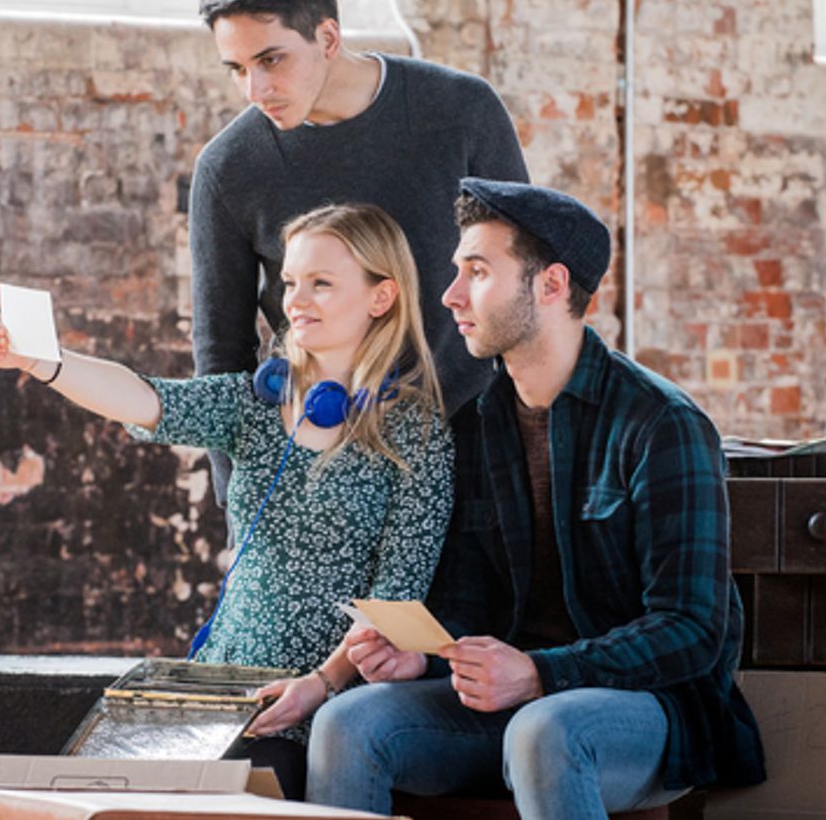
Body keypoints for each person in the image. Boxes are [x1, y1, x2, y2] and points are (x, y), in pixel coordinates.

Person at [306, 180, 765, 818]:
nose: (451, 296)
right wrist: (426, 655)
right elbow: (469, 602)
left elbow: (691, 630)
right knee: (348, 723)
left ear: (550, 286)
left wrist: (542, 672)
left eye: (478, 271)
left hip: (649, 712)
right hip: (512, 707)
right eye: (457, 272)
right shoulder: (478, 424)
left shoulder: (661, 424)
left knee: (546, 729)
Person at [0, 203, 453, 798]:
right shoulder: (252, 404)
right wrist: (44, 362)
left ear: (381, 297)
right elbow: (146, 400)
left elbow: (395, 602)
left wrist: (322, 684)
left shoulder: (415, 430)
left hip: (319, 703)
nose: (295, 300)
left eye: (321, 283)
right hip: (221, 684)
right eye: (289, 283)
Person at [191, 0, 529, 503]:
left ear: (327, 38)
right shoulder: (229, 167)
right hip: (320, 476)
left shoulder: (461, 111)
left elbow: (522, 279)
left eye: (271, 60)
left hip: (473, 456)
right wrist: (243, 503)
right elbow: (220, 352)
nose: (256, 91)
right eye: (238, 70)